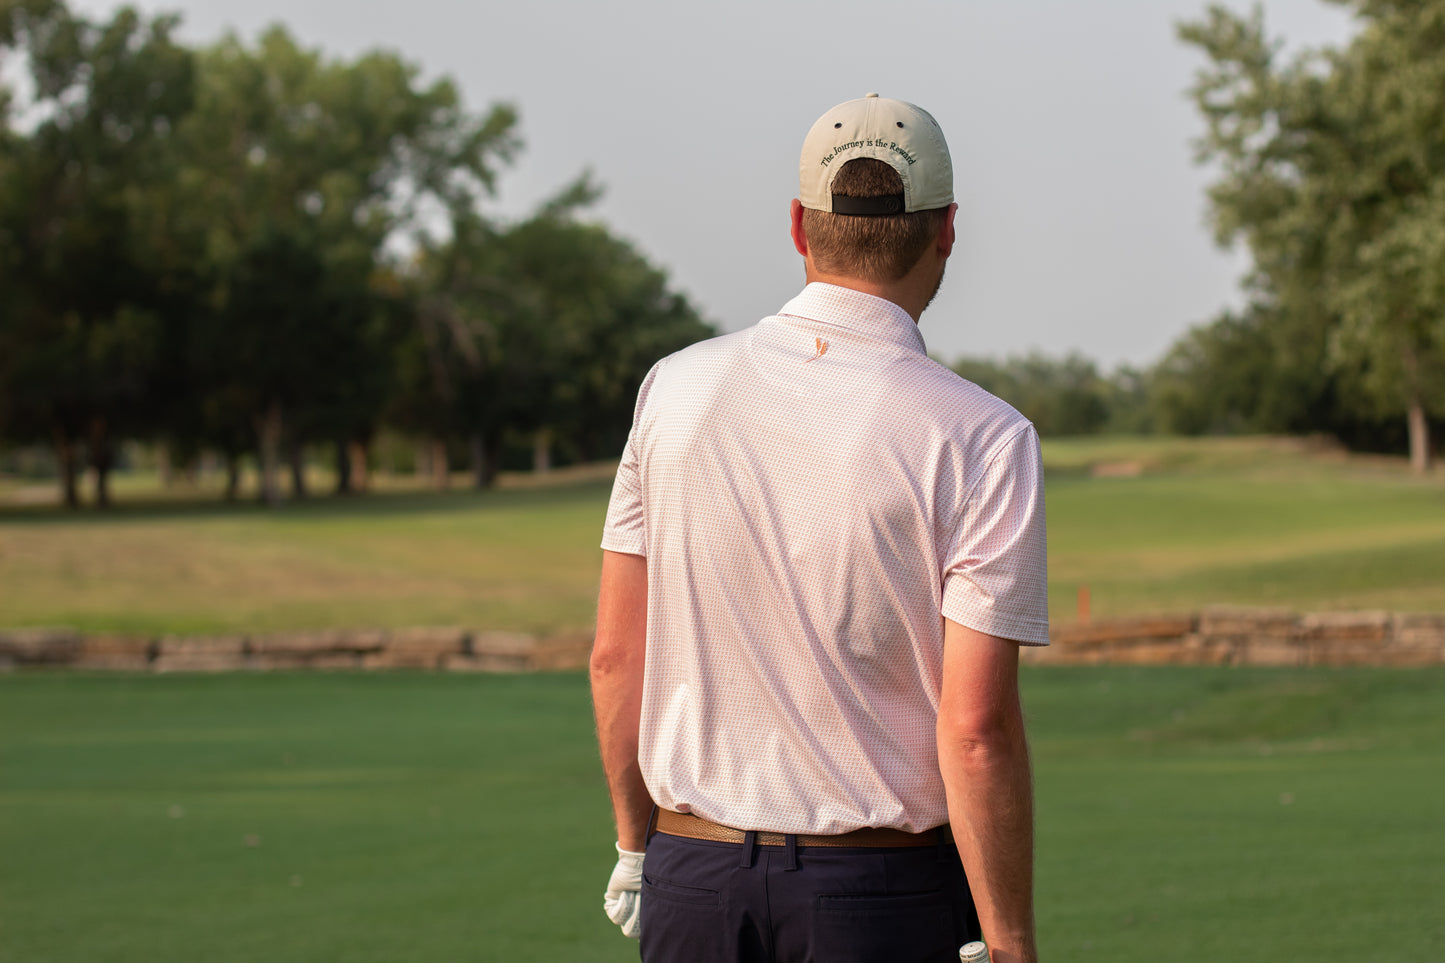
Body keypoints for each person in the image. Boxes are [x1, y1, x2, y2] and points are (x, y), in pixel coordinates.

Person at [590, 93, 1048, 963]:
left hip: (691, 875)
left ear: (800, 227)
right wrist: (1010, 940)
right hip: (879, 895)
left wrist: (633, 846)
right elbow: (976, 727)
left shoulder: (672, 388)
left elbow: (616, 653)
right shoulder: (984, 436)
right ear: (946, 229)